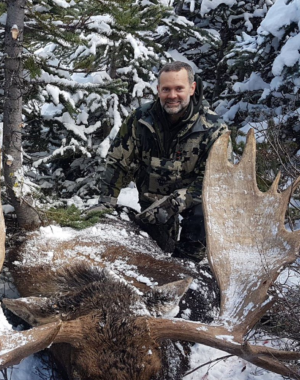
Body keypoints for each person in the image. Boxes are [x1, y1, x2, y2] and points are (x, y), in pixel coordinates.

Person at [96, 62, 228, 261]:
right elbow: (118, 160)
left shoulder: (214, 129)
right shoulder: (141, 119)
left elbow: (218, 182)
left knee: (188, 257)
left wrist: (176, 202)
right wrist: (106, 201)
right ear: (158, 90)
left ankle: (190, 265)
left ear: (192, 89)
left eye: (179, 89)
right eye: (166, 89)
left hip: (195, 205)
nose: (172, 95)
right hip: (152, 200)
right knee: (153, 257)